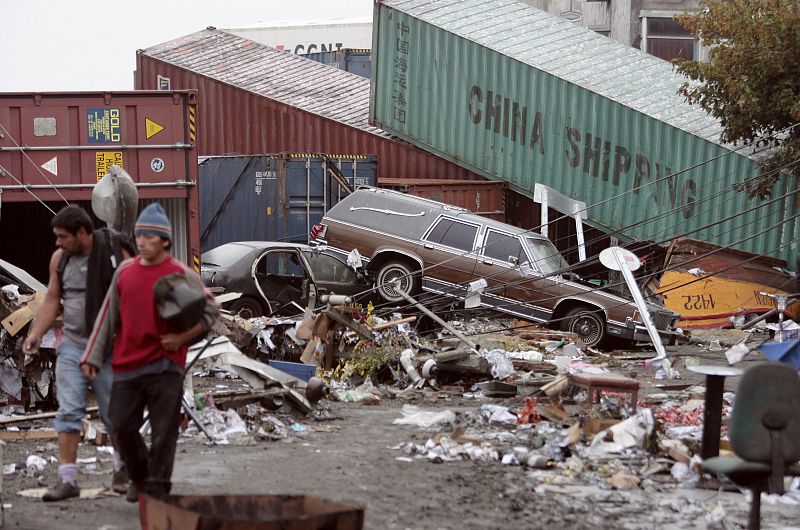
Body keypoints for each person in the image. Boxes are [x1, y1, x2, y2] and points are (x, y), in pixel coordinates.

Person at [81, 203, 218, 502]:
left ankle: (158, 487)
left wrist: (182, 336)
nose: (141, 241)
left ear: (165, 241)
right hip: (127, 365)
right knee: (121, 426)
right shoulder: (125, 273)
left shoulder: (181, 274)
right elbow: (107, 316)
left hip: (165, 366)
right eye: (139, 235)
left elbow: (211, 309)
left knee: (163, 432)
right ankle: (140, 477)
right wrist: (92, 355)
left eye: (149, 237)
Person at [22, 205, 133, 501]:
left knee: (116, 415)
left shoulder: (113, 253)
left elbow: (133, 297)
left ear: (82, 233)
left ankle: (122, 469)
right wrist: (34, 334)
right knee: (69, 410)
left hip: (111, 348)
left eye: (63, 237)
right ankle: (68, 480)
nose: (57, 243)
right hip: (72, 346)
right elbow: (52, 301)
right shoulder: (60, 260)